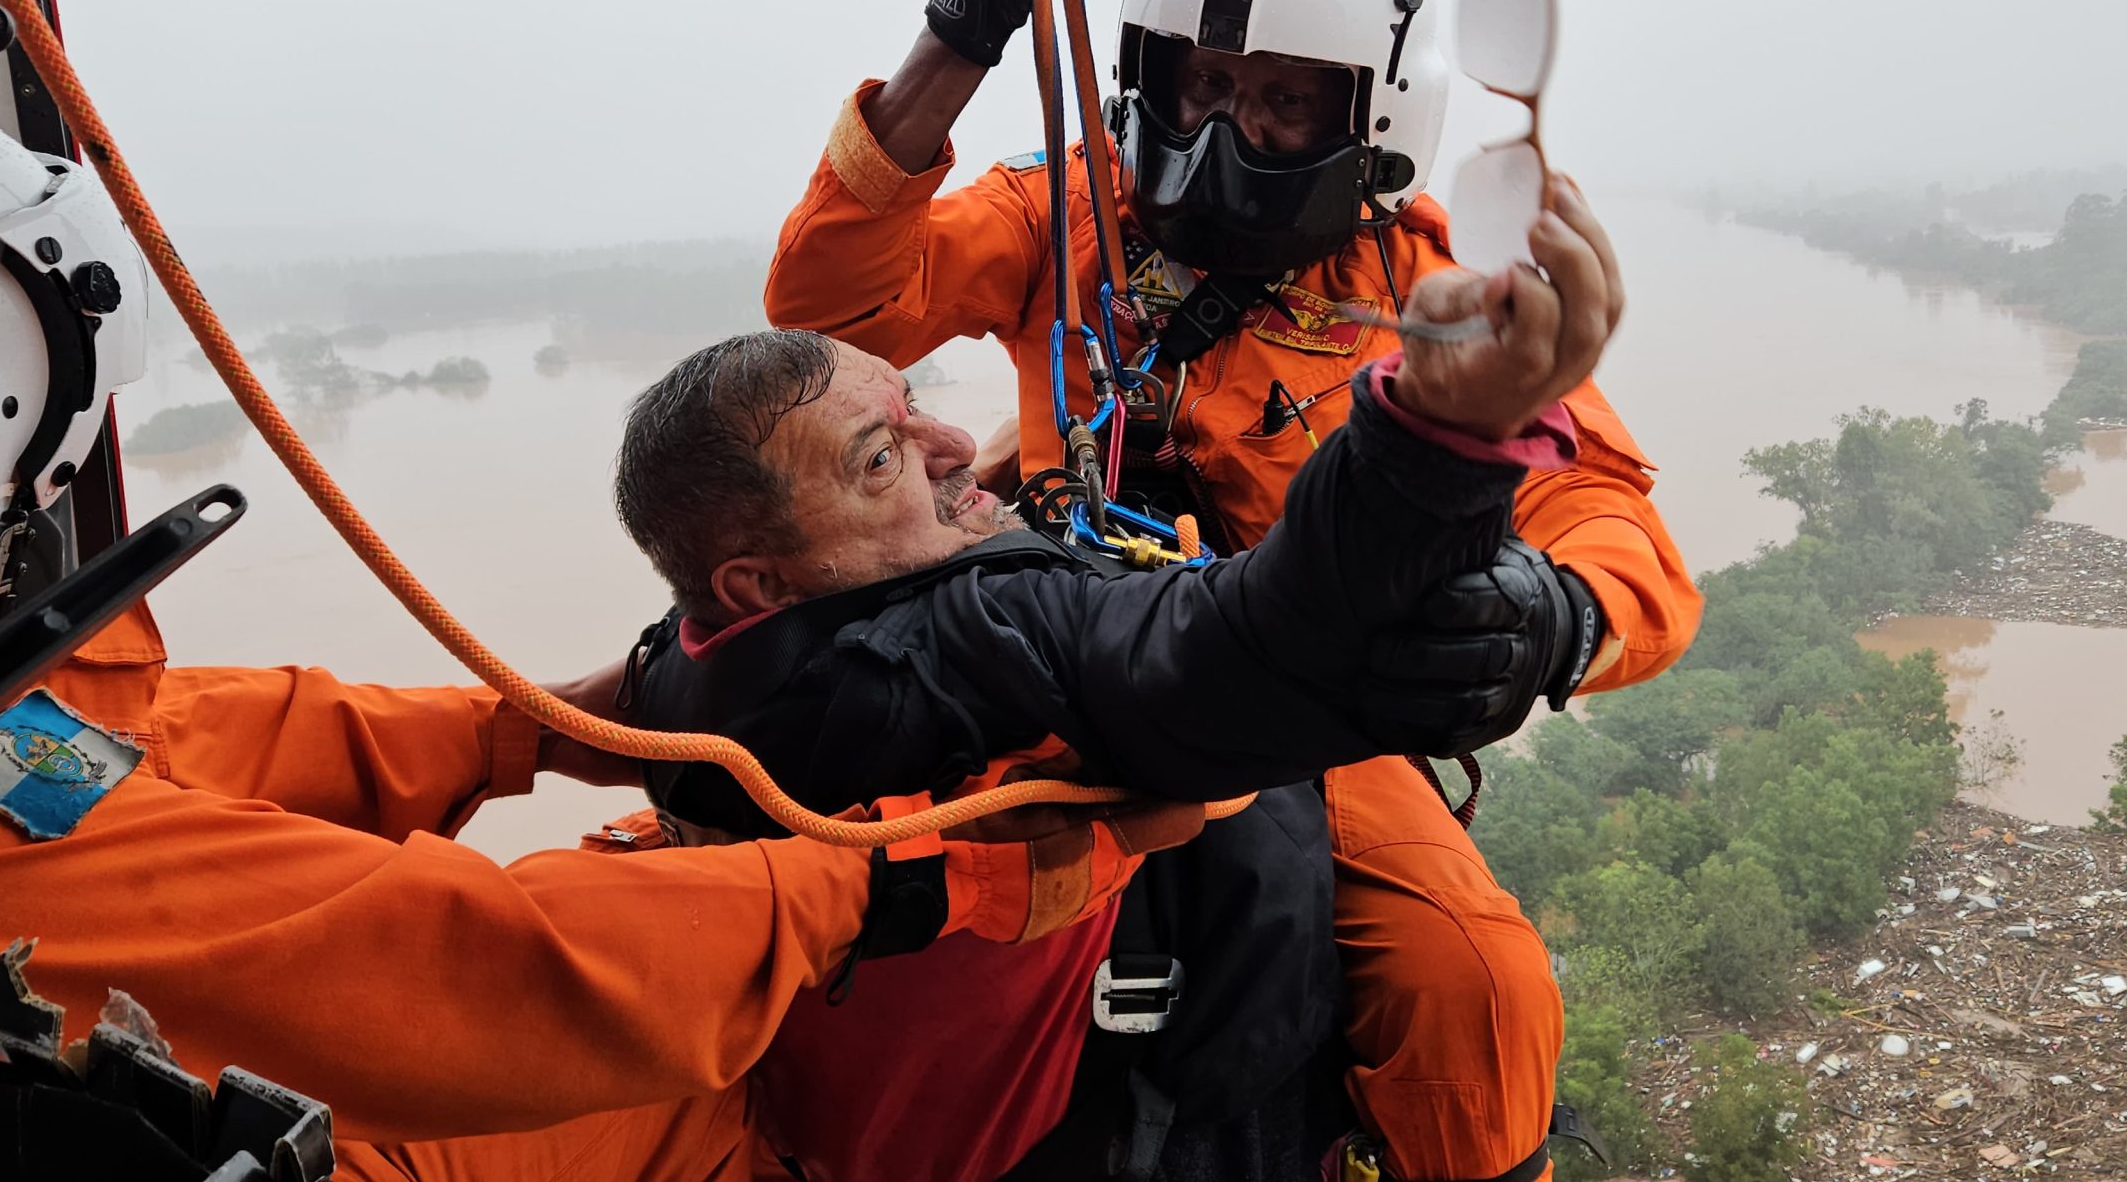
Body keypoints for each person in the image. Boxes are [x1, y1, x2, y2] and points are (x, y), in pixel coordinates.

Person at [0, 54, 1189, 1182]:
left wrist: (533, 732)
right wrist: (922, 883)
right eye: (41, 458)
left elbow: (144, 738)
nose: (44, 497)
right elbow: (463, 963)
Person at [761, 0, 1702, 1179]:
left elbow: (1604, 509)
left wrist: (1549, 612)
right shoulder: (1070, 210)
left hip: (1311, 701)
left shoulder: (1417, 286)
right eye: (1201, 84)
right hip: (1058, 633)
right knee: (825, 902)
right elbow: (828, 305)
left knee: (1476, 984)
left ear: (1368, 118)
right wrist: (962, 26)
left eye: (1279, 102)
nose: (1221, 131)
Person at [616, 168, 1621, 1181]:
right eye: (880, 460)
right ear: (754, 579)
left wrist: (510, 739)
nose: (958, 446)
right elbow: (1248, 644)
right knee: (1477, 980)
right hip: (1239, 634)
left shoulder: (683, 675)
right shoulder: (993, 625)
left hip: (844, 1128)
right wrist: (1439, 436)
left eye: (915, 411)